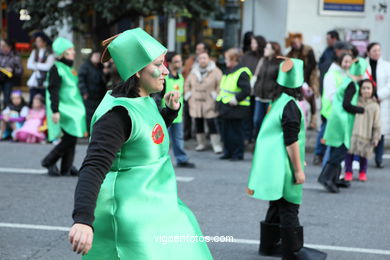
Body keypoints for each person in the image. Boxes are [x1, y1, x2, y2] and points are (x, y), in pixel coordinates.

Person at [68, 28, 212, 259]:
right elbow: (93, 167)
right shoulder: (117, 115)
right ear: (136, 71)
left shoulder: (144, 99)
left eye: (163, 63)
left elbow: (146, 138)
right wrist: (83, 220)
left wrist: (169, 113)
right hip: (131, 218)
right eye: (157, 64)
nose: (165, 70)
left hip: (158, 206)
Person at [247, 57, 326, 260]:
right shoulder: (291, 106)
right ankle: (293, 251)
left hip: (276, 164)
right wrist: (299, 170)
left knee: (277, 203)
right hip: (284, 165)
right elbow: (291, 141)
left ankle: (269, 245)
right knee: (290, 205)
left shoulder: (278, 101)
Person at [318, 58, 367, 193]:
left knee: (335, 149)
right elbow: (347, 105)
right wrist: (361, 110)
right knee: (340, 150)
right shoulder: (352, 84)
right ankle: (327, 178)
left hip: (336, 118)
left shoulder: (346, 80)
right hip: (342, 120)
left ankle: (333, 178)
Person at [41, 37, 87, 177]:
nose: (73, 52)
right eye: (70, 50)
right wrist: (55, 110)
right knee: (70, 138)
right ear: (62, 53)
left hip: (73, 108)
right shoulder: (56, 68)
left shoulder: (69, 68)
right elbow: (53, 90)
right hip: (64, 108)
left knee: (71, 136)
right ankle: (49, 161)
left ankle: (66, 167)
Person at [313, 53, 354, 165]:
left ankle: (332, 174)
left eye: (350, 61)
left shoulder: (346, 74)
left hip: (340, 114)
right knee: (331, 144)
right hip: (332, 114)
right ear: (340, 61)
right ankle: (326, 170)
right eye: (345, 61)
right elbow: (331, 96)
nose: (348, 64)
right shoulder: (332, 74)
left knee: (335, 145)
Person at [158, 51, 195, 168]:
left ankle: (181, 159)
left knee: (178, 139)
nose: (179, 64)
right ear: (170, 63)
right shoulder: (164, 79)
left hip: (177, 115)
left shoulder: (181, 78)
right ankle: (159, 160)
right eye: (176, 61)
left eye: (180, 61)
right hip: (165, 114)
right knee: (162, 141)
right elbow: (159, 97)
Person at [217, 48, 251, 161]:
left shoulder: (242, 72)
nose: (225, 60)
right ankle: (228, 152)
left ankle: (237, 154)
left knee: (236, 132)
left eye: (227, 58)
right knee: (226, 132)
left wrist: (236, 99)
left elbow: (246, 90)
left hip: (237, 107)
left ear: (233, 59)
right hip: (226, 106)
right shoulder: (229, 70)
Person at [185, 51, 223, 153]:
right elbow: (187, 84)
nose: (203, 60)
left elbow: (221, 84)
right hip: (196, 102)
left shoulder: (216, 71)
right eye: (201, 58)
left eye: (205, 58)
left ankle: (216, 145)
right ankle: (201, 143)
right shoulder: (193, 71)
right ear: (198, 60)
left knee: (212, 123)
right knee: (198, 123)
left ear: (209, 59)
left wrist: (215, 95)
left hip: (209, 101)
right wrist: (188, 95)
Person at [344, 79, 381, 182]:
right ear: (360, 90)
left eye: (368, 88)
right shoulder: (355, 102)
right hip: (353, 134)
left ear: (373, 90)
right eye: (363, 88)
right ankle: (348, 172)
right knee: (349, 154)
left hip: (366, 135)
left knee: (364, 156)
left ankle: (362, 172)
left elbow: (377, 124)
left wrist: (376, 137)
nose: (366, 90)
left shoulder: (375, 106)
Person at [365, 42, 390, 168]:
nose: (377, 53)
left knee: (380, 130)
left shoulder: (387, 66)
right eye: (374, 50)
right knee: (365, 129)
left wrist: (379, 95)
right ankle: (363, 157)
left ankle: (378, 158)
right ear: (368, 52)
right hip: (367, 101)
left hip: (381, 101)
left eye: (379, 50)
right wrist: (368, 96)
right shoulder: (363, 65)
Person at [287, 34, 318, 130]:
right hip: (297, 78)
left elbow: (312, 64)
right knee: (299, 98)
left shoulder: (308, 50)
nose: (295, 44)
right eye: (293, 43)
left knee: (311, 98)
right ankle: (302, 118)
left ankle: (313, 120)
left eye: (297, 42)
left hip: (309, 78)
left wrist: (304, 77)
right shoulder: (291, 52)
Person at [241, 35, 267, 143]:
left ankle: (256, 136)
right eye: (252, 43)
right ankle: (247, 136)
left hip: (259, 90)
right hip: (247, 88)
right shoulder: (247, 55)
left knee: (257, 116)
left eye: (255, 43)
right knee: (247, 114)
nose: (252, 45)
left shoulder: (263, 58)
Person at [253, 41, 282, 137]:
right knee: (257, 121)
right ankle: (259, 140)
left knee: (269, 122)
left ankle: (267, 142)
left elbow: (281, 82)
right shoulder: (263, 61)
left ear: (274, 50)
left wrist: (275, 94)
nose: (265, 49)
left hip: (271, 97)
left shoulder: (279, 63)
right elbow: (258, 76)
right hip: (259, 96)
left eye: (268, 48)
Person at [78, 50, 107, 132]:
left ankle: (97, 130)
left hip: (99, 95)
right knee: (89, 114)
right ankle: (90, 131)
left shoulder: (101, 67)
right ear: (91, 56)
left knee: (98, 113)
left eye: (98, 57)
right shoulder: (85, 66)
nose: (97, 58)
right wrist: (84, 91)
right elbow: (81, 80)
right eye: (95, 56)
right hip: (89, 94)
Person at [26, 32, 55, 105]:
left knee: (44, 101)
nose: (37, 43)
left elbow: (48, 67)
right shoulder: (35, 51)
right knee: (32, 101)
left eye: (39, 41)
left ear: (44, 42)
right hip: (35, 80)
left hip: (45, 81)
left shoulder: (50, 52)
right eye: (36, 41)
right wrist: (41, 65)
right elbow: (29, 65)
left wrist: (36, 64)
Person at [0, 39, 23, 109]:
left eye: (3, 46)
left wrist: (12, 70)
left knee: (7, 98)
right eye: (0, 46)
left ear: (9, 47)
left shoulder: (15, 55)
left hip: (9, 80)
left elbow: (20, 70)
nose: (1, 47)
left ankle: (6, 113)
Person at [318, 30, 339, 95]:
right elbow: (321, 60)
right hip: (324, 77)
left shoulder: (340, 49)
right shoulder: (327, 49)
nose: (327, 41)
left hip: (334, 80)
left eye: (328, 39)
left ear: (334, 39)